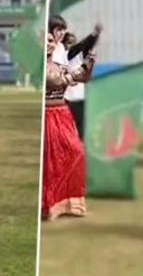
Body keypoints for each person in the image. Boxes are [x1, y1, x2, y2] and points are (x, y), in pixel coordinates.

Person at [43, 32, 96, 220]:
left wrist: (89, 64)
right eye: (44, 41)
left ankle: (68, 203)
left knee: (75, 153)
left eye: (51, 41)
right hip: (46, 115)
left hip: (62, 114)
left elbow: (82, 78)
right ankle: (48, 205)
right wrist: (73, 74)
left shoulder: (59, 65)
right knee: (49, 162)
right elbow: (53, 81)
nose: (48, 44)